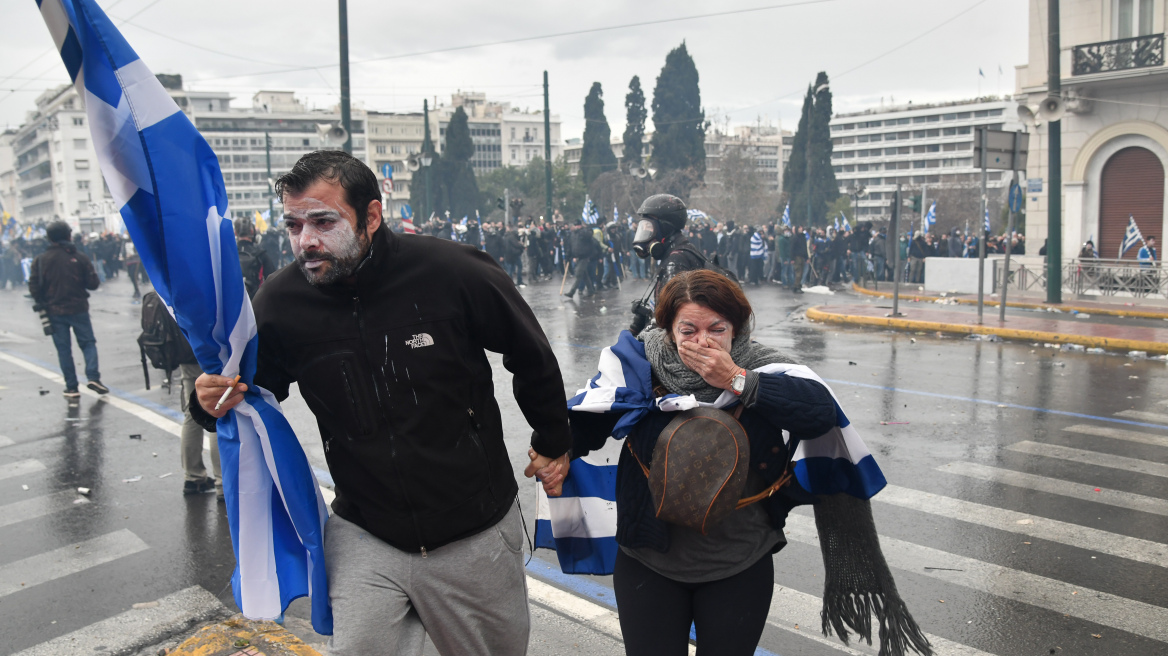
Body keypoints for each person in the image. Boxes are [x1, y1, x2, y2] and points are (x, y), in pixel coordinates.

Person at [191, 151, 570, 655]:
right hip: (364, 531)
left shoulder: (453, 271)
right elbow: (246, 394)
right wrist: (205, 400)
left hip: (473, 530)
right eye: (293, 224)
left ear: (371, 215)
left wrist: (553, 441)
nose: (306, 240)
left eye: (324, 221)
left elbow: (532, 354)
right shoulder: (280, 304)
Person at [562, 269, 929, 656]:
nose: (703, 342)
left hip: (738, 563)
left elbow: (820, 411)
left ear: (735, 328)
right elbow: (589, 416)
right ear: (669, 330)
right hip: (649, 561)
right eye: (688, 331)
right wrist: (557, 449)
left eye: (716, 329)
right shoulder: (638, 365)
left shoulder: (760, 367)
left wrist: (736, 379)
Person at [28, 220, 109, 398]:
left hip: (54, 311)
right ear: (68, 235)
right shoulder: (79, 257)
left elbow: (34, 286)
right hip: (79, 308)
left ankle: (71, 388)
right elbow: (93, 284)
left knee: (64, 350)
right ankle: (93, 376)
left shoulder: (41, 260)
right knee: (88, 343)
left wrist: (43, 301)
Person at [234, 217, 277, 299]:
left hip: (235, 301)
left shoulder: (230, 253)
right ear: (252, 231)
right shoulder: (260, 253)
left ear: (235, 233)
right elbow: (273, 277)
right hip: (255, 299)